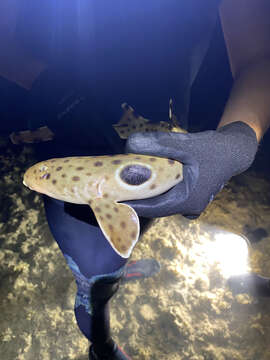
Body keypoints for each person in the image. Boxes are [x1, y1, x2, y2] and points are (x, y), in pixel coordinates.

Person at [1, 1, 270, 359]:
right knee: (94, 276)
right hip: (70, 124)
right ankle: (102, 344)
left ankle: (121, 265)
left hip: (156, 136)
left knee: (144, 218)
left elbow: (259, 58)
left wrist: (238, 138)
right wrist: (47, 82)